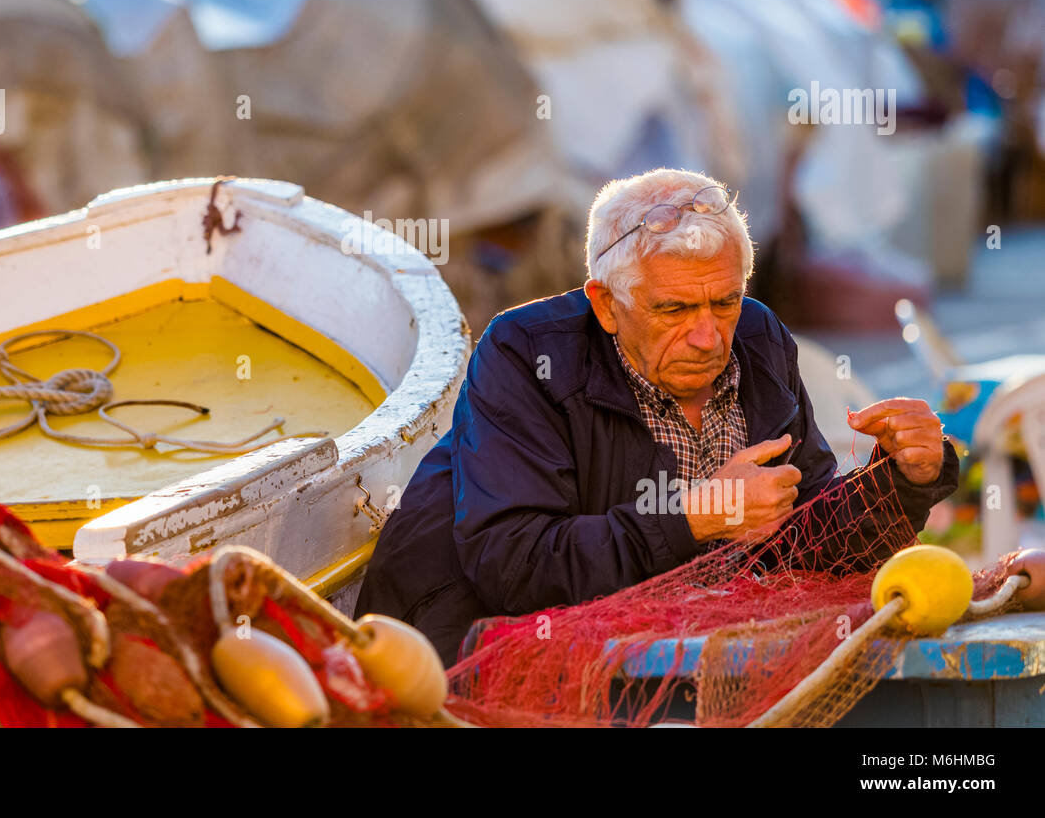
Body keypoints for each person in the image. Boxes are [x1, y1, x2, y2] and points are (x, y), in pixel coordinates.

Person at [356, 167, 958, 665]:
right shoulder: (525, 352)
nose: (708, 336)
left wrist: (904, 478)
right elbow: (515, 563)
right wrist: (697, 515)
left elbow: (806, 539)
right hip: (466, 655)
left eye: (725, 301)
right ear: (606, 304)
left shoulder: (759, 336)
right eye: (674, 309)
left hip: (652, 648)